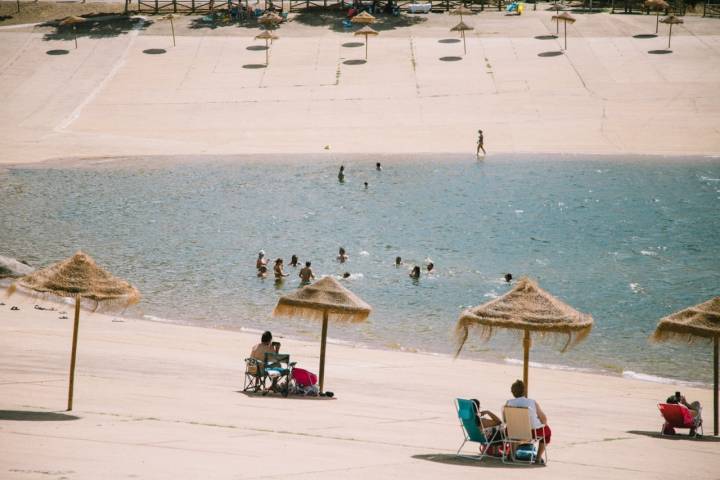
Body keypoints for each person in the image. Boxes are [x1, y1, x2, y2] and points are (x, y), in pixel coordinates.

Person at [505, 380, 550, 464]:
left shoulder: (509, 403)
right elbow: (544, 419)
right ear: (524, 391)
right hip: (531, 433)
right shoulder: (532, 402)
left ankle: (512, 454)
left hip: (513, 432)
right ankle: (538, 458)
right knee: (547, 431)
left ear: (512, 392)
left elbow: (505, 420)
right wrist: (539, 421)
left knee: (513, 430)